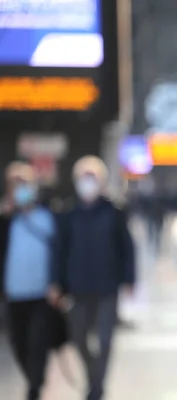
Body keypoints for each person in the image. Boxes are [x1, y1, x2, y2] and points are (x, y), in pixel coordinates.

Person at [48, 155, 135, 400]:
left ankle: (97, 388)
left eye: (92, 178)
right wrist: (56, 282)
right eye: (84, 178)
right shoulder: (69, 213)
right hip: (77, 287)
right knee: (78, 338)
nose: (88, 183)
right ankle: (93, 377)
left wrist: (129, 279)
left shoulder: (114, 211)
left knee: (105, 340)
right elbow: (60, 249)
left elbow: (126, 247)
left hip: (107, 286)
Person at [0, 162, 55, 400]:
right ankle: (34, 379)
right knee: (19, 343)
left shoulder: (47, 215)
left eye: (24, 183)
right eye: (15, 184)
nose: (19, 189)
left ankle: (35, 386)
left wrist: (58, 283)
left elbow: (59, 251)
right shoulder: (6, 220)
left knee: (38, 342)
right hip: (14, 293)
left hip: (42, 292)